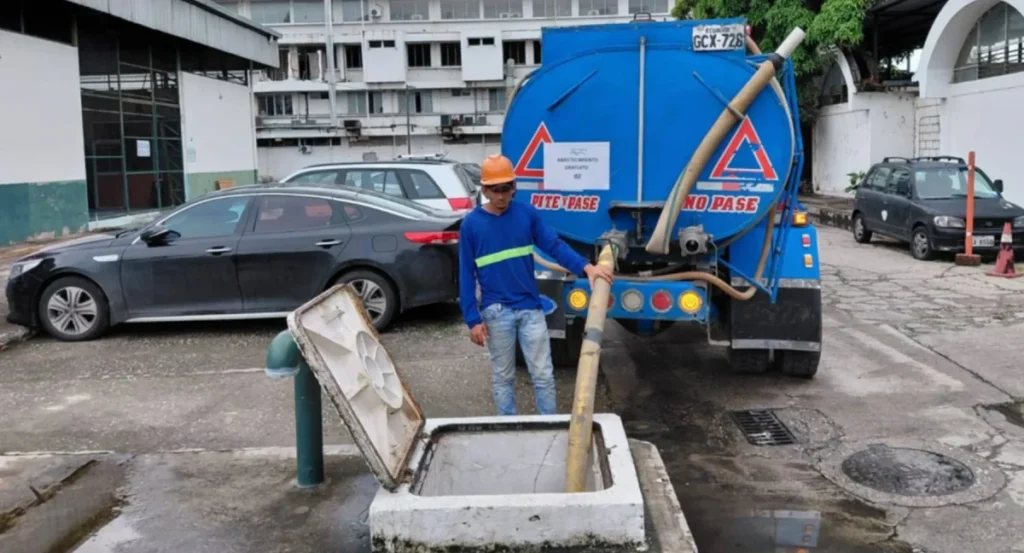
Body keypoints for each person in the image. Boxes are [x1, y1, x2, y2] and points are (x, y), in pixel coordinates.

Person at [458, 154, 613, 416]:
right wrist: (472, 319)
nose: (501, 195)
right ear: (484, 189)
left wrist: (587, 268)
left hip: (531, 309)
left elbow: (553, 245)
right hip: (497, 313)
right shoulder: (471, 225)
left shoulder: (526, 215)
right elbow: (464, 274)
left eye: (506, 188)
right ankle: (508, 430)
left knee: (543, 376)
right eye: (495, 189)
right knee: (504, 377)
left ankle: (549, 428)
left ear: (514, 186)